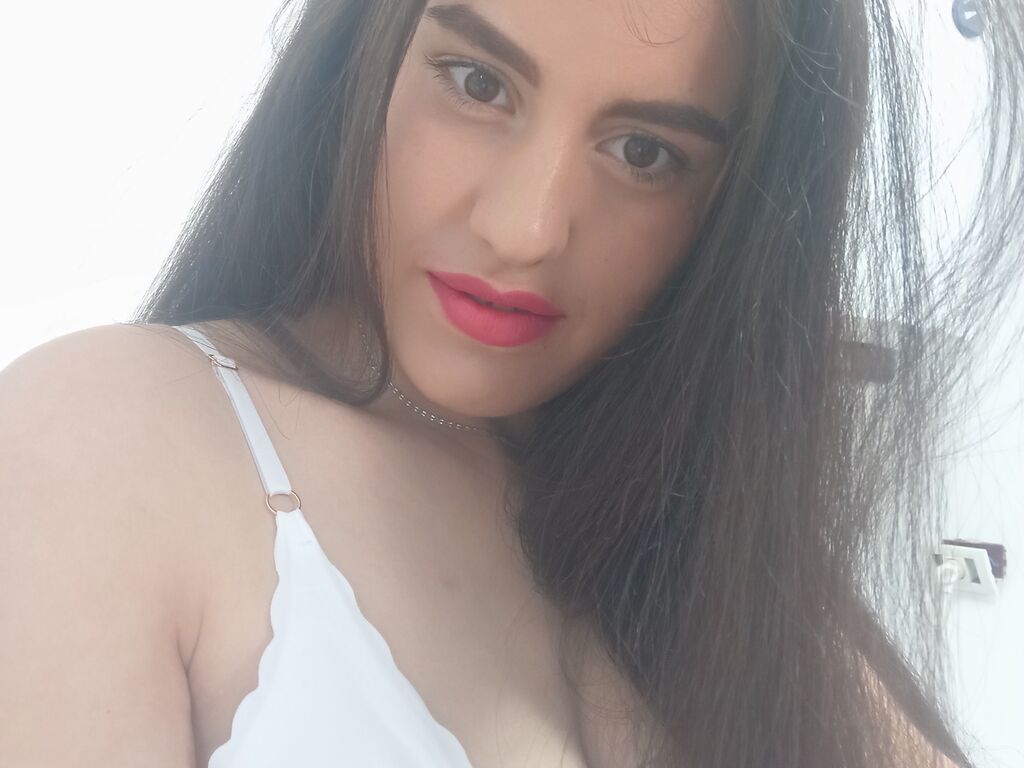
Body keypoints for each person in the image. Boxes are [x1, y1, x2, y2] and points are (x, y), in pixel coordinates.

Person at [1, 0, 1022, 766]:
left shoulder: (709, 553)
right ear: (367, 51)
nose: (525, 229)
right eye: (478, 83)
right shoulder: (108, 442)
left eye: (642, 153)